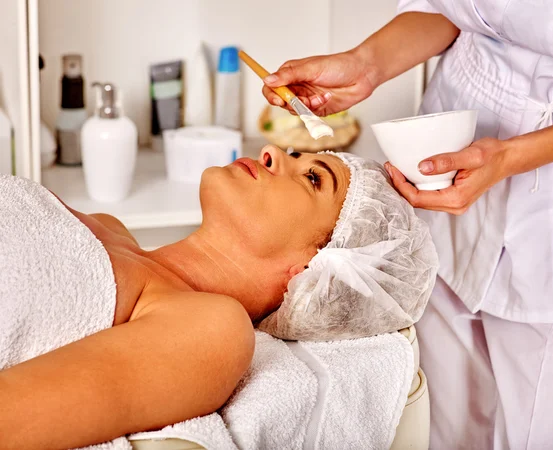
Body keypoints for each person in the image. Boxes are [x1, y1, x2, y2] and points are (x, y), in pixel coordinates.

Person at [262, 2, 553, 449]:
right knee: (439, 424)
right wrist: (367, 64)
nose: (270, 155)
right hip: (447, 148)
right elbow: (458, 9)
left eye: (314, 176)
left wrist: (513, 156)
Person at [0, 145, 436, 448]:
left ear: (313, 269)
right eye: (296, 155)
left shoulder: (210, 330)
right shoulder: (106, 224)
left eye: (311, 178)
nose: (271, 152)